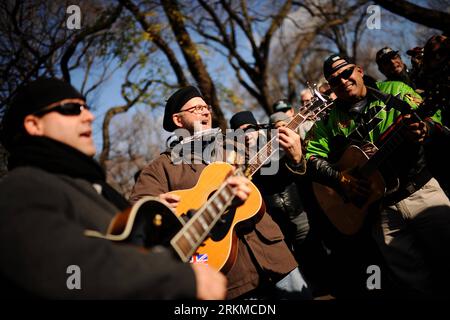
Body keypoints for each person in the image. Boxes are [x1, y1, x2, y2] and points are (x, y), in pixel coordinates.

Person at [0, 77, 227, 299]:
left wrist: (220, 201)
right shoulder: (22, 186)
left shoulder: (94, 189)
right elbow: (67, 270)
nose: (89, 116)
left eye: (87, 108)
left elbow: (138, 251)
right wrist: (182, 278)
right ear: (34, 125)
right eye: (71, 108)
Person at [130, 86, 311, 300]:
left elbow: (275, 180)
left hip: (274, 257)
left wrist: (297, 160)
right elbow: (138, 211)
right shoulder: (161, 167)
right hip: (228, 278)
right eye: (197, 109)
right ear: (178, 121)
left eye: (206, 107)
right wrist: (157, 208)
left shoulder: (235, 144)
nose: (206, 112)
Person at [306, 53, 450, 297]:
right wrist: (341, 179)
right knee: (414, 285)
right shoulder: (327, 123)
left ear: (359, 71)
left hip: (422, 193)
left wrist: (424, 128)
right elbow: (309, 158)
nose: (342, 81)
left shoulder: (394, 89)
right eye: (333, 80)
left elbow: (434, 120)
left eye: (346, 73)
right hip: (380, 214)